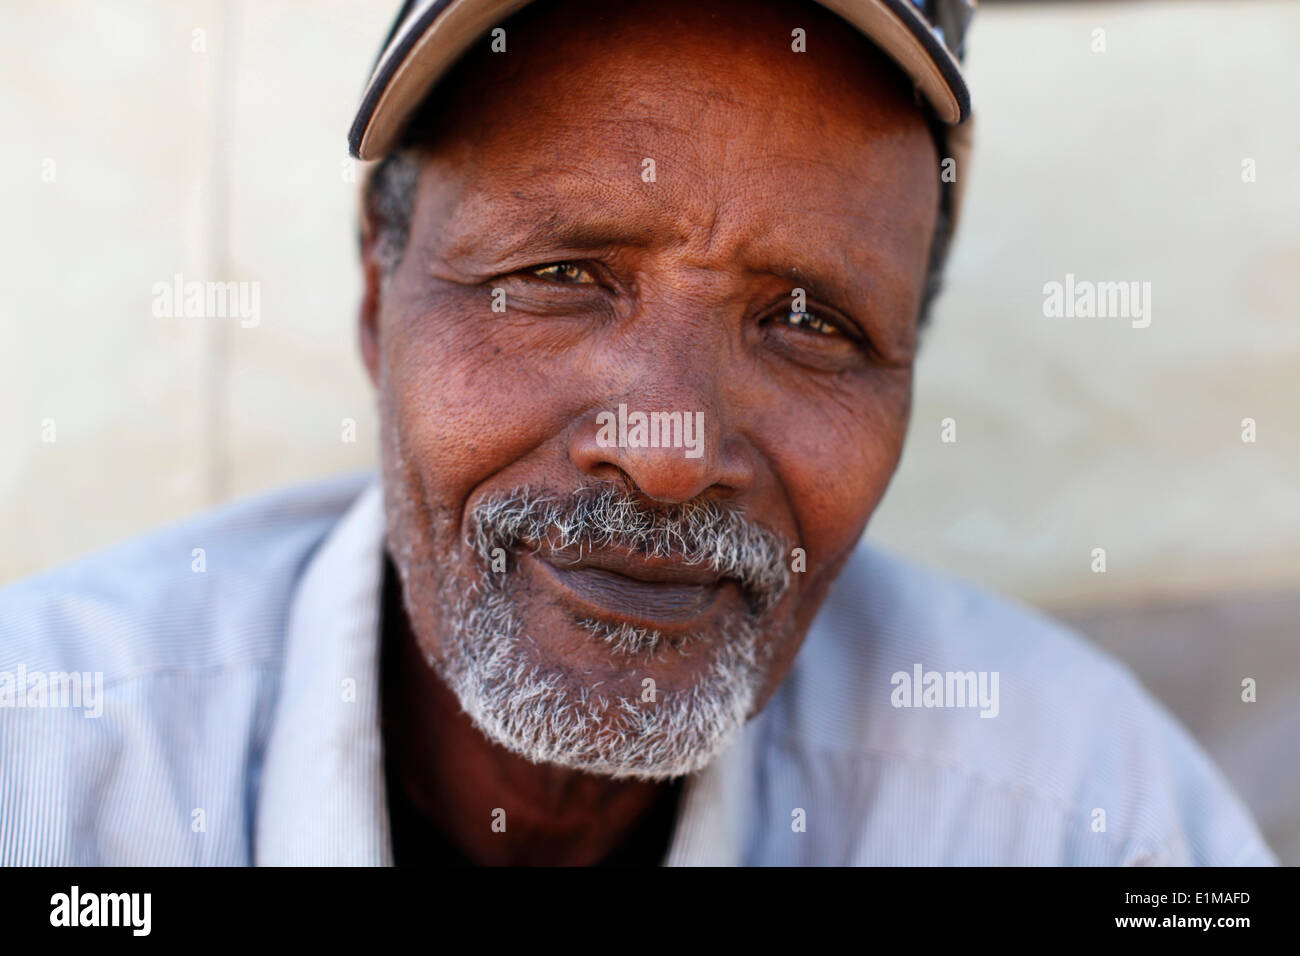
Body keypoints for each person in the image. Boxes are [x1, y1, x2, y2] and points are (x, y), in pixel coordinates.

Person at [0, 0, 1275, 866]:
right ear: (380, 294)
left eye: (809, 320)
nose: (666, 449)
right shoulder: (50, 766)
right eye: (558, 275)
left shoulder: (1079, 817)